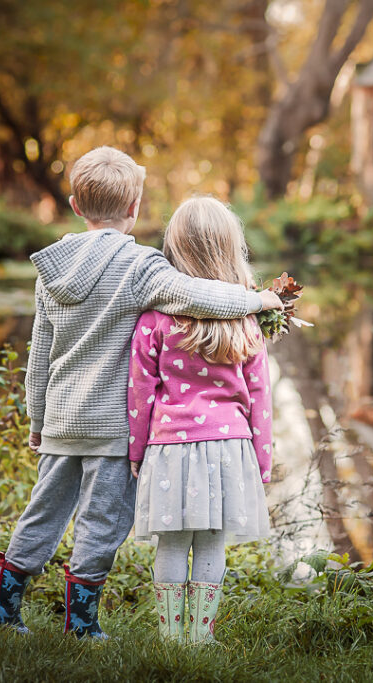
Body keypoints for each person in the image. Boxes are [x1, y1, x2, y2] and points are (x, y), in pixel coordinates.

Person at [0, 147, 283, 640]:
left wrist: (36, 419)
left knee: (43, 513)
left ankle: (3, 612)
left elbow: (40, 355)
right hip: (110, 427)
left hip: (61, 421)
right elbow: (198, 296)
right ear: (136, 206)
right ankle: (80, 624)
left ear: (77, 207)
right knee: (101, 524)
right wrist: (258, 300)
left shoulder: (53, 268)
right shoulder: (140, 265)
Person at [127, 196, 274, 645]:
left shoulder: (155, 318)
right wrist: (263, 461)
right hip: (230, 447)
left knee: (171, 542)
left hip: (169, 446)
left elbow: (140, 393)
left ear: (174, 248)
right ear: (232, 250)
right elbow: (260, 399)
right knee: (211, 540)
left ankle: (171, 637)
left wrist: (136, 454)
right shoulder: (247, 322)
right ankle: (200, 638)